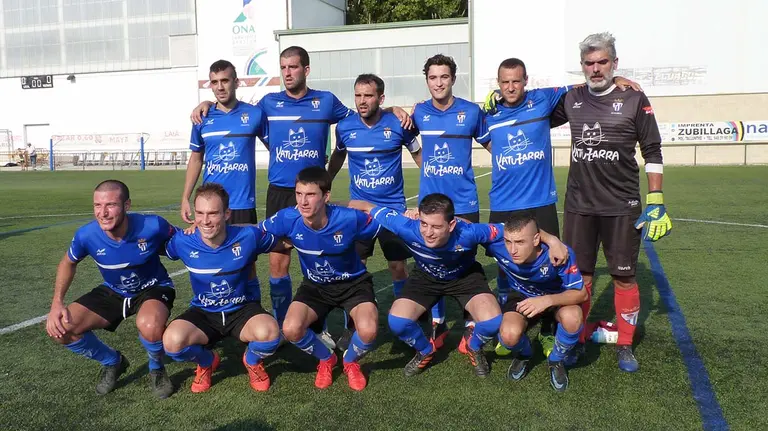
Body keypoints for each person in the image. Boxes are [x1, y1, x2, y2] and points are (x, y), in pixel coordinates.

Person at [190, 47, 411, 335]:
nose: (287, 73)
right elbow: (234, 109)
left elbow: (361, 115)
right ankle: (282, 325)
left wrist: (392, 110)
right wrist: (206, 102)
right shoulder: (268, 104)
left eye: (293, 67)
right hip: (281, 192)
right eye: (283, 68)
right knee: (278, 262)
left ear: (306, 70)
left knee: (327, 255)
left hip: (315, 194)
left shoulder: (326, 102)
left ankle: (340, 317)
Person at [478, 59, 641, 357]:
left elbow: (586, 85)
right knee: (505, 264)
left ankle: (548, 328)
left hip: (540, 201)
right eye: (505, 82)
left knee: (552, 263)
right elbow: (478, 136)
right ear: (497, 84)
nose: (511, 87)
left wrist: (616, 79)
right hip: (503, 202)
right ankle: (509, 315)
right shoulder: (488, 113)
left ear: (526, 80)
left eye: (516, 81)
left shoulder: (543, 98)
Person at [549, 32, 672, 372]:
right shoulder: (571, 99)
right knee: (581, 278)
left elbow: (652, 150)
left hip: (622, 206)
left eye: (603, 62)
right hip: (579, 206)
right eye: (589, 63)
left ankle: (626, 343)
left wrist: (656, 198)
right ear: (582, 67)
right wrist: (498, 98)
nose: (596, 68)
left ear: (614, 63)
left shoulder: (633, 97)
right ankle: (577, 341)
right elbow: (532, 112)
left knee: (624, 278)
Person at [348, 194, 568, 378]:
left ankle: (473, 346)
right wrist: (335, 214)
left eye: (436, 226)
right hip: (425, 278)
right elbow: (365, 205)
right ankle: (425, 351)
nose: (428, 232)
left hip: (464, 278)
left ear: (452, 224)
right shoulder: (406, 226)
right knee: (397, 322)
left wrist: (553, 241)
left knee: (492, 322)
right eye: (424, 224)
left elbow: (512, 229)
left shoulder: (469, 232)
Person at [45, 180, 175, 398]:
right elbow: (68, 262)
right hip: (114, 290)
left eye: (111, 205)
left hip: (153, 287)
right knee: (61, 329)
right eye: (97, 205)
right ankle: (113, 362)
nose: (103, 213)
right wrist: (57, 302)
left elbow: (185, 241)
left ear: (127, 206)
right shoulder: (86, 235)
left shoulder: (152, 226)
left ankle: (156, 368)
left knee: (149, 325)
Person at [259, 167, 381, 391]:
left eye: (311, 194)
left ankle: (350, 361)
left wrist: (370, 206)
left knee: (369, 330)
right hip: (315, 286)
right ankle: (327, 359)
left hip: (353, 284)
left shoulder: (348, 218)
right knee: (291, 329)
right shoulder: (288, 217)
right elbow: (253, 233)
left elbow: (384, 221)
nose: (303, 202)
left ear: (326, 196)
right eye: (299, 194)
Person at [327, 73, 422, 350]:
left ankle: (405, 323)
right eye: (358, 95)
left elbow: (419, 155)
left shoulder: (399, 124)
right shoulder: (344, 127)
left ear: (381, 98)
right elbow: (339, 154)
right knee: (356, 268)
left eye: (368, 96)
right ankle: (352, 325)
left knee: (397, 267)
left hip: (393, 210)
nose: (361, 101)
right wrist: (326, 181)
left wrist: (431, 186)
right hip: (360, 212)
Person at [163, 183, 282, 394]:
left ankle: (252, 361)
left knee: (271, 333)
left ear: (227, 214)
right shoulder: (183, 241)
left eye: (213, 213)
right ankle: (207, 361)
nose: (205, 221)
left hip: (242, 310)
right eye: (199, 213)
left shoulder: (248, 236)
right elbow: (155, 247)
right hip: (204, 313)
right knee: (172, 343)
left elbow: (283, 241)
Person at [410, 54, 488, 347]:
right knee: (432, 262)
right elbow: (406, 136)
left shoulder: (470, 112)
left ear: (453, 79)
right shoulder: (418, 113)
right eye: (432, 77)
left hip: (465, 203)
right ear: (426, 80)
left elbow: (492, 143)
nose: (438, 83)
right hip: (430, 205)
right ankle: (438, 322)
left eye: (444, 77)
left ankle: (469, 322)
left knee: (465, 263)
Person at [485, 212, 586, 392]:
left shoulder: (559, 253)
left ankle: (556, 360)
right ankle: (525, 354)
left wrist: (546, 300)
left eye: (520, 242)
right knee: (508, 336)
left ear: (536, 239)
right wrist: (418, 214)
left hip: (555, 297)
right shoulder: (497, 245)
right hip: (521, 295)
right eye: (508, 242)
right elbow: (462, 226)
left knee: (573, 317)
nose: (512, 250)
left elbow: (581, 294)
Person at [182, 60, 267, 226]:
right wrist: (185, 197)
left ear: (236, 83)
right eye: (215, 82)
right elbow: (196, 159)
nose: (220, 87)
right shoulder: (201, 117)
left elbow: (274, 148)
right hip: (210, 204)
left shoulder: (255, 114)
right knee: (211, 251)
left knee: (244, 252)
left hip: (242, 204)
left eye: (225, 81)